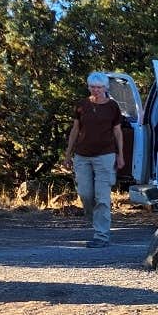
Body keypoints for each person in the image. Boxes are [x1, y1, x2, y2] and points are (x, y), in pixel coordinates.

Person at [63, 72, 125, 248]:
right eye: (93, 87)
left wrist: (120, 155)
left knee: (102, 197)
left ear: (105, 88)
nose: (96, 90)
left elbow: (118, 131)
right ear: (88, 87)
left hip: (105, 155)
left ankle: (101, 236)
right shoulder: (82, 105)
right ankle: (95, 220)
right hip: (82, 155)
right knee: (85, 194)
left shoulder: (112, 106)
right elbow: (75, 130)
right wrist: (68, 154)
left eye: (99, 87)